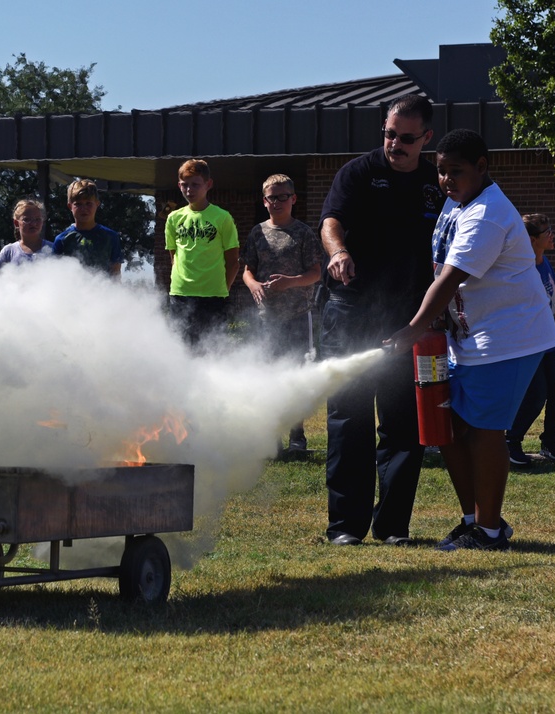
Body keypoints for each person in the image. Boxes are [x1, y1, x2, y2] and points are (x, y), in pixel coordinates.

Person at [386, 128, 555, 551]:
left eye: (456, 172)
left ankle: (490, 531)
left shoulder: (487, 213)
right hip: (469, 337)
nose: (446, 180)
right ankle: (475, 520)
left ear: (482, 168)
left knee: (483, 430)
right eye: (442, 171)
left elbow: (450, 278)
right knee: (451, 427)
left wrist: (414, 327)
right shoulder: (456, 203)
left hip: (507, 337)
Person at [319, 95, 445, 547]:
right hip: (352, 311)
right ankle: (346, 528)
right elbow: (331, 220)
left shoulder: (436, 182)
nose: (395, 144)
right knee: (349, 416)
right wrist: (339, 252)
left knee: (403, 423)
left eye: (407, 138)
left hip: (408, 319)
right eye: (389, 134)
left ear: (426, 138)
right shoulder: (358, 173)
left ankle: (393, 527)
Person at [241, 174, 323, 452]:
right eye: (270, 198)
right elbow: (247, 270)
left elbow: (315, 273)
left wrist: (290, 282)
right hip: (268, 318)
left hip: (299, 314)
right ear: (264, 201)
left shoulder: (303, 233)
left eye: (282, 197)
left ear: (293, 199)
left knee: (298, 375)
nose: (276, 202)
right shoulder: (257, 233)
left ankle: (297, 438)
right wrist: (253, 286)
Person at [506, 213, 555, 464]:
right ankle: (511, 442)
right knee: (535, 396)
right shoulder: (521, 268)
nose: (552, 234)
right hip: (529, 343)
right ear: (531, 240)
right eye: (546, 232)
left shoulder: (544, 262)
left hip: (548, 342)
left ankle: (549, 441)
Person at [165, 159, 240, 348]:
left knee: (212, 350)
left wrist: (222, 289)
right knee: (180, 350)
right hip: (180, 295)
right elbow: (174, 257)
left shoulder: (223, 218)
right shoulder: (173, 218)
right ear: (179, 185)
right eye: (185, 185)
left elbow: (233, 262)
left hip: (213, 297)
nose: (190, 190)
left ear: (208, 184)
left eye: (195, 185)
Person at [53, 179, 123, 277]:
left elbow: (116, 274)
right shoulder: (62, 240)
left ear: (97, 204)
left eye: (88, 203)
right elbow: (56, 275)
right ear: (70, 206)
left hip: (103, 290)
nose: (84, 208)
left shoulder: (111, 237)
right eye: (78, 204)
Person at [0, 198, 54, 266]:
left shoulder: (52, 249)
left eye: (37, 219)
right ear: (16, 223)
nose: (33, 223)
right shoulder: (8, 252)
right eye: (26, 219)